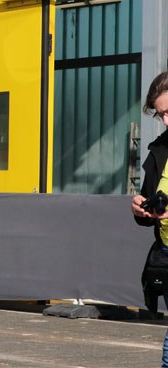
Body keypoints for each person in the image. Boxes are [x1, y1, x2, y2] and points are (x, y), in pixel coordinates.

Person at [131, 71, 168, 366]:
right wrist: (141, 209)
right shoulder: (160, 150)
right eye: (161, 115)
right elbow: (150, 205)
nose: (166, 121)